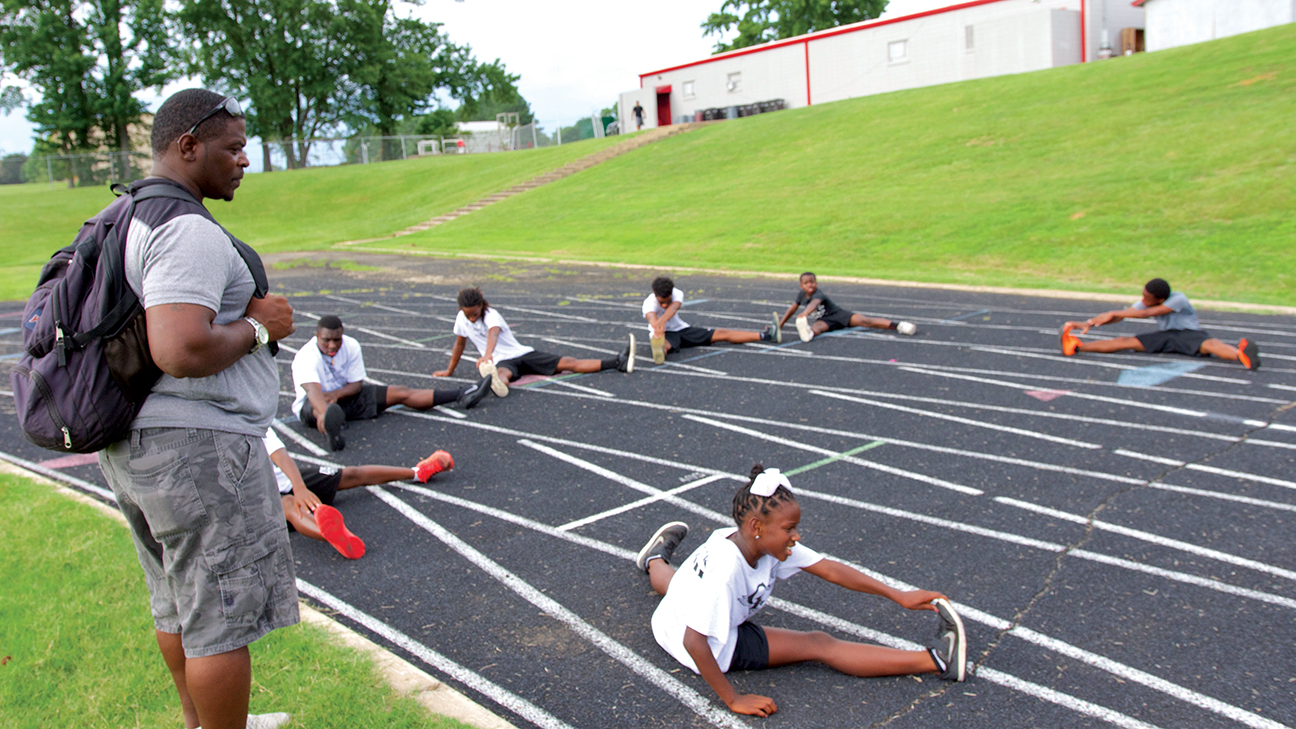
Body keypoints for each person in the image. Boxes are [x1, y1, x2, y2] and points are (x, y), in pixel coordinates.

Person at [95, 89, 296, 729]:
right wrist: (261, 329)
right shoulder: (186, 228)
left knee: (177, 603)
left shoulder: (124, 213)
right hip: (194, 444)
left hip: (135, 439)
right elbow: (180, 348)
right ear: (188, 146)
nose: (244, 161)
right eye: (233, 147)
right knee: (218, 617)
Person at [635, 466, 967, 718]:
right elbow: (695, 641)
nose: (796, 536)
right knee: (818, 643)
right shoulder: (726, 572)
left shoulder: (756, 541)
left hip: (674, 613)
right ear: (756, 527)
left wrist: (899, 595)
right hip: (705, 644)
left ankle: (654, 558)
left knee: (675, 584)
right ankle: (938, 660)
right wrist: (733, 699)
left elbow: (831, 569)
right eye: (789, 529)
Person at [292, 315, 491, 451]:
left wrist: (336, 396)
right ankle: (332, 430)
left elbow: (356, 384)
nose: (332, 345)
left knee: (400, 392)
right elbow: (312, 390)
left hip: (343, 395)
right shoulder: (306, 356)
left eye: (337, 339)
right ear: (317, 336)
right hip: (313, 403)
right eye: (327, 340)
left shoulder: (351, 345)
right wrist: (328, 407)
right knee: (321, 411)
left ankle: (461, 394)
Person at [263, 428, 452, 560]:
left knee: (350, 474)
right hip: (251, 497)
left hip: (282, 479)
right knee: (288, 504)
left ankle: (418, 472)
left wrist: (300, 487)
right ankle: (331, 535)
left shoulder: (249, 416)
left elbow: (278, 453)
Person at [433, 287, 633, 398]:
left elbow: (493, 334)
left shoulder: (491, 315)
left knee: (568, 363)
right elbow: (459, 344)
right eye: (468, 316)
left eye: (474, 314)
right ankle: (491, 386)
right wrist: (449, 370)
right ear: (461, 310)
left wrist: (486, 355)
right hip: (502, 361)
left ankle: (617, 362)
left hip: (522, 353)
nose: (472, 319)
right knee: (502, 374)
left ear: (481, 306)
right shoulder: (462, 318)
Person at [1059, 278, 1259, 369]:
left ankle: (1240, 356)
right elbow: (1125, 314)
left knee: (1212, 345)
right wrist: (1089, 323)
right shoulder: (1149, 301)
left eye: (1146, 297)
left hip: (1189, 334)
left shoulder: (1178, 299)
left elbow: (1149, 313)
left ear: (1160, 299)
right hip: (1166, 336)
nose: (1142, 299)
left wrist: (1113, 311)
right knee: (1124, 341)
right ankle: (1076, 346)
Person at [644, 276, 779, 364]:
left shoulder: (677, 293)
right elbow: (651, 317)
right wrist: (657, 328)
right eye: (661, 303)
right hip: (663, 334)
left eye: (667, 301)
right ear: (655, 295)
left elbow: (673, 308)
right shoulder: (649, 303)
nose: (664, 305)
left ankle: (766, 335)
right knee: (664, 343)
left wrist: (662, 320)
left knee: (721, 334)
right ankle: (659, 350)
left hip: (682, 329)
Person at [777, 272, 917, 343]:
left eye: (812, 282)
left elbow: (814, 304)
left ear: (816, 283)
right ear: (801, 286)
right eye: (806, 283)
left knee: (865, 321)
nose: (810, 285)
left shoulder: (819, 294)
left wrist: (805, 313)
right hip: (825, 319)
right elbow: (792, 309)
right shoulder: (801, 295)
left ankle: (899, 326)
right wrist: (780, 325)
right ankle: (808, 334)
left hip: (838, 315)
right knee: (818, 328)